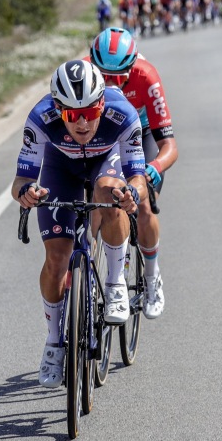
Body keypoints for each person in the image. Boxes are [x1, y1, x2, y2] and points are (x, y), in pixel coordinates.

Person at [13, 59, 148, 388]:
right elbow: (20, 181)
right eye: (73, 115)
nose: (84, 122)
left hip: (106, 164)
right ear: (59, 109)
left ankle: (115, 283)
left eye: (91, 110)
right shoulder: (40, 118)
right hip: (61, 170)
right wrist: (27, 193)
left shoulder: (123, 114)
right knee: (57, 259)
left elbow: (138, 177)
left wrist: (131, 193)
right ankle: (54, 342)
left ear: (103, 102)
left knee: (110, 192)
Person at [84, 27, 178, 321]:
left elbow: (169, 145)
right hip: (104, 136)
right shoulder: (83, 74)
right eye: (103, 76)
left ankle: (152, 278)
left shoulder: (146, 76)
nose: (111, 83)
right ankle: (90, 276)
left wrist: (154, 168)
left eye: (118, 78)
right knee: (95, 205)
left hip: (142, 134)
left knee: (144, 205)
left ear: (131, 66)